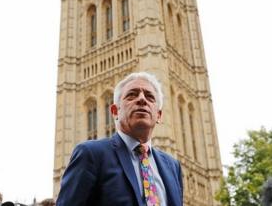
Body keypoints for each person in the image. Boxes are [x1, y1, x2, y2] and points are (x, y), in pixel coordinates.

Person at [56, 72, 183, 206]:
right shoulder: (91, 154)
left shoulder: (173, 166)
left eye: (150, 97)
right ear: (115, 111)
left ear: (159, 115)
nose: (142, 99)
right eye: (132, 95)